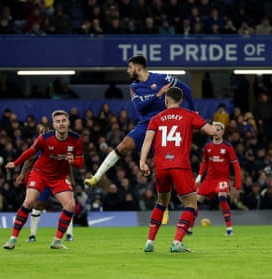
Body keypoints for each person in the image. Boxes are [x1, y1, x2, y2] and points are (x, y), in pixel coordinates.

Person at [85, 55, 195, 187]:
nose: (128, 71)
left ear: (138, 67)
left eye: (130, 67)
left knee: (164, 167)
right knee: (123, 146)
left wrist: (193, 112)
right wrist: (157, 95)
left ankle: (165, 205)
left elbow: (187, 91)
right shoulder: (134, 87)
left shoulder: (162, 78)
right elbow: (139, 107)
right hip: (145, 126)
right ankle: (96, 177)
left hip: (164, 127)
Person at [139, 87, 219, 253]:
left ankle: (149, 242)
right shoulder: (189, 115)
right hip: (180, 166)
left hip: (160, 166)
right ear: (181, 100)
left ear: (166, 100)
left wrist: (142, 162)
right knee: (191, 204)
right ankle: (176, 242)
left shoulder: (156, 118)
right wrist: (201, 125)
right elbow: (211, 131)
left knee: (162, 202)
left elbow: (147, 141)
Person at [3, 110, 84, 250]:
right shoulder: (45, 138)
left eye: (64, 120)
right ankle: (13, 238)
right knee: (29, 202)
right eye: (58, 121)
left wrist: (73, 162)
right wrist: (15, 163)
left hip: (59, 177)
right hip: (39, 174)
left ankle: (57, 240)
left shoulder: (76, 139)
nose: (61, 124)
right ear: (54, 124)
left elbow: (81, 163)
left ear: (68, 122)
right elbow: (30, 152)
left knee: (70, 205)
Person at [17, 124, 75, 243]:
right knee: (37, 204)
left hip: (59, 178)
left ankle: (69, 234)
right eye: (40, 131)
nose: (42, 132)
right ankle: (32, 235)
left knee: (68, 204)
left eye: (43, 130)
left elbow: (67, 163)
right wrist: (22, 174)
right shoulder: (38, 145)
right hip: (43, 178)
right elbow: (29, 159)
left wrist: (70, 178)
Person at [193, 122, 241, 236]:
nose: (216, 132)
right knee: (196, 201)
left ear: (223, 132)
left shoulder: (228, 147)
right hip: (209, 179)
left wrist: (238, 184)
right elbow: (204, 162)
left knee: (222, 197)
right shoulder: (208, 147)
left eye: (218, 130)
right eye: (214, 129)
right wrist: (200, 176)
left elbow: (236, 165)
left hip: (222, 179)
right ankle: (189, 227)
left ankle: (229, 228)